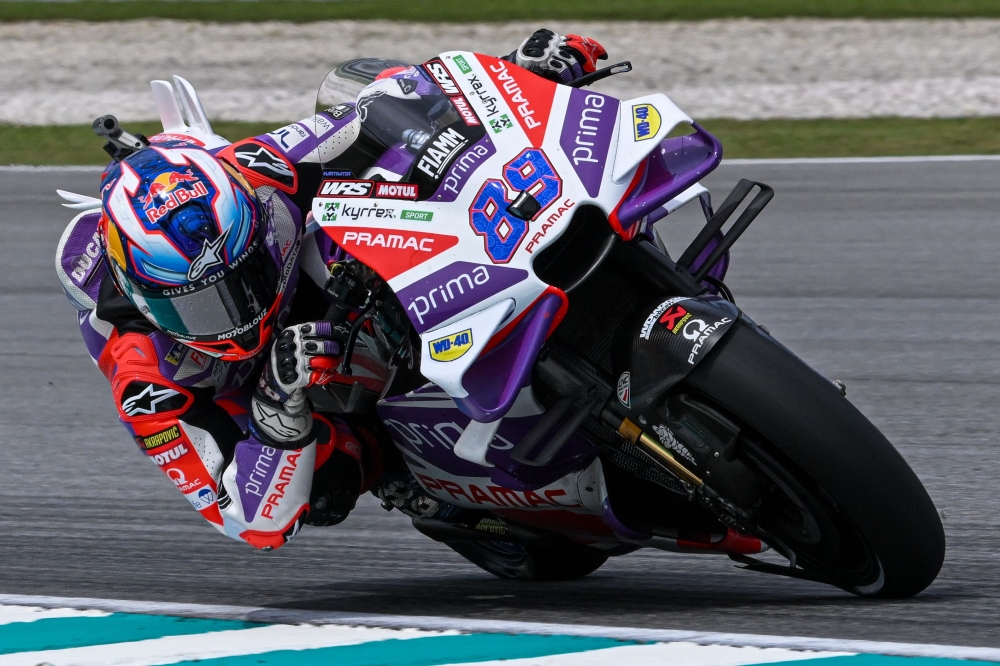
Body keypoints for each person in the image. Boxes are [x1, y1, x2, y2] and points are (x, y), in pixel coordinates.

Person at [55, 31, 608, 551]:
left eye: (244, 279)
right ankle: (402, 473)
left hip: (304, 280)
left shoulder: (260, 172)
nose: (237, 315)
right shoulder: (144, 378)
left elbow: (394, 101)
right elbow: (249, 521)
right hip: (251, 391)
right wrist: (276, 403)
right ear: (143, 294)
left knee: (365, 111)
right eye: (200, 305)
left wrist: (518, 71)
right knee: (324, 485)